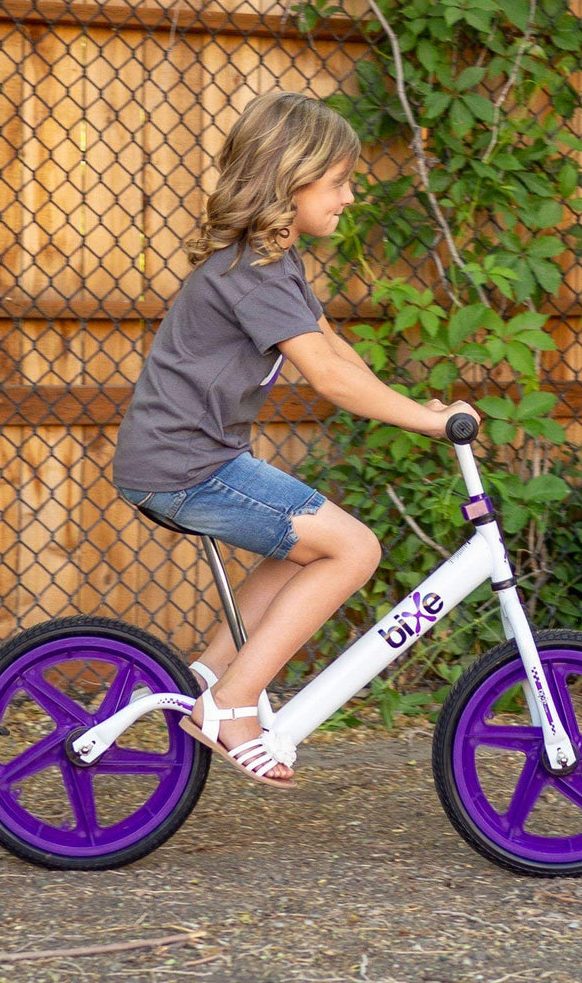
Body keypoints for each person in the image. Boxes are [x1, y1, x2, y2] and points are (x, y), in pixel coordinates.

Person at [113, 92, 478, 787]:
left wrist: (415, 407)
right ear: (290, 181)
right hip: (188, 465)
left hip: (189, 458)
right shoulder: (252, 273)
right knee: (354, 548)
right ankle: (232, 704)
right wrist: (431, 423)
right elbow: (328, 382)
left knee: (302, 549)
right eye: (338, 181)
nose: (350, 195)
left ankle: (212, 675)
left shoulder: (272, 265)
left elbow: (337, 352)